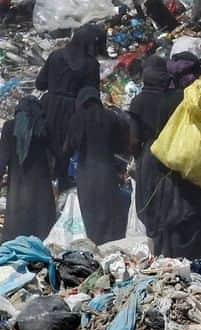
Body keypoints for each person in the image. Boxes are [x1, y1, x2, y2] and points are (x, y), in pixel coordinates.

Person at [128, 55, 201, 259]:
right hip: (174, 153)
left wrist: (137, 158)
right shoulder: (177, 98)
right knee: (174, 203)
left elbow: (133, 139)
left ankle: (160, 249)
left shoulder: (138, 102)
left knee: (152, 202)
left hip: (149, 158)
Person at [35, 23, 105, 189]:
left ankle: (46, 187)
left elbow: (39, 84)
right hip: (73, 111)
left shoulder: (56, 56)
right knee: (67, 150)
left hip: (48, 106)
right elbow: (91, 94)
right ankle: (64, 186)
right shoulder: (91, 65)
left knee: (47, 146)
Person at [66, 88, 130, 245]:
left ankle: (92, 243)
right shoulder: (111, 117)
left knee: (89, 211)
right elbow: (121, 146)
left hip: (85, 172)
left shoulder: (76, 119)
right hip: (107, 170)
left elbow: (70, 146)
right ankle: (108, 245)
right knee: (108, 211)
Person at [0, 97, 55, 241]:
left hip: (18, 187)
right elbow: (57, 153)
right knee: (41, 228)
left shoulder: (9, 127)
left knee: (16, 228)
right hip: (40, 187)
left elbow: (2, 157)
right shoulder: (44, 127)